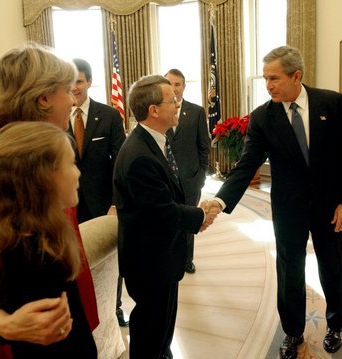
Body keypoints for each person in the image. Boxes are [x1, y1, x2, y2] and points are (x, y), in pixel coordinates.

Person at [204, 46, 342, 359]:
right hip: (289, 207)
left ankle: (335, 323)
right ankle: (293, 332)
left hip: (331, 206)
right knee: (289, 271)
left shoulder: (331, 102)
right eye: (266, 79)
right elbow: (247, 164)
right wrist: (220, 200)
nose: (268, 85)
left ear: (296, 75)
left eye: (274, 78)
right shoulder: (263, 117)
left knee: (334, 266)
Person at [0, 43, 99, 358]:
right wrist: (2, 323)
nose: (73, 101)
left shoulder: (46, 149)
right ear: (43, 98)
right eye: (66, 91)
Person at [113, 75, 218, 358]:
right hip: (150, 262)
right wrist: (199, 216)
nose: (177, 105)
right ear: (154, 110)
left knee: (161, 329)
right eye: (172, 101)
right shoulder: (139, 156)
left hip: (162, 256)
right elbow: (161, 212)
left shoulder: (155, 139)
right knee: (150, 331)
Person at [0, 122, 95, 357]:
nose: (78, 172)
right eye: (71, 164)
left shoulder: (42, 236)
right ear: (42, 181)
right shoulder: (32, 256)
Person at [69, 58, 128, 327]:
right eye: (69, 82)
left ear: (89, 82)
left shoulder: (109, 116)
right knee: (74, 261)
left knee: (109, 258)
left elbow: (120, 164)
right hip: (69, 205)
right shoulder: (55, 118)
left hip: (103, 202)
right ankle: (82, 309)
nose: (74, 87)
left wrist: (115, 203)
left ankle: (114, 306)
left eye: (79, 81)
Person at [165, 69, 210, 274]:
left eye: (177, 84)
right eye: (169, 84)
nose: (174, 88)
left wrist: (200, 176)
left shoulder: (197, 111)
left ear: (184, 86)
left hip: (190, 179)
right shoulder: (158, 110)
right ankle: (171, 258)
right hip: (165, 179)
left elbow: (204, 147)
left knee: (188, 220)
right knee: (169, 220)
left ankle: (187, 259)